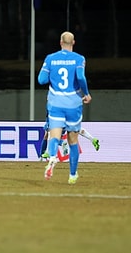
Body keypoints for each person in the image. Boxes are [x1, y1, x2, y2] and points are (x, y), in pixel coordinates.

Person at [38, 31, 92, 184]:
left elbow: (41, 80)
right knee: (73, 139)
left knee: (54, 135)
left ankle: (52, 157)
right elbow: (81, 77)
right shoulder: (79, 59)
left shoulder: (50, 58)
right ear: (73, 42)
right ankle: (72, 175)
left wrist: (52, 76)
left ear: (60, 42)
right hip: (73, 103)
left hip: (56, 103)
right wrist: (86, 94)